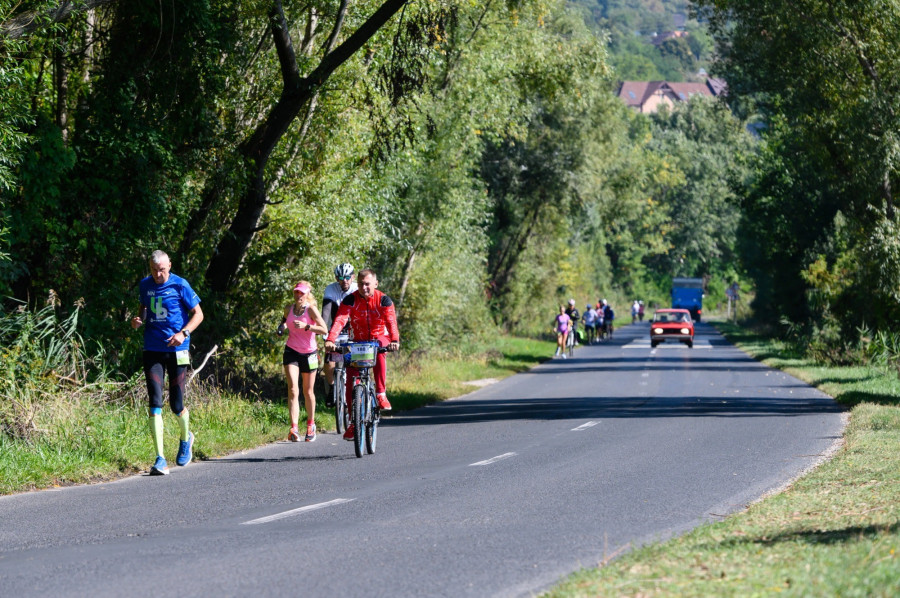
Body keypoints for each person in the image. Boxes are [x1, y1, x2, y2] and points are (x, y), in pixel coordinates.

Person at [131, 250, 203, 476]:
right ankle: (160, 458)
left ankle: (185, 438)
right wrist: (138, 320)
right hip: (152, 349)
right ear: (149, 269)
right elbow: (142, 308)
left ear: (169, 265)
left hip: (177, 350)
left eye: (162, 270)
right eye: (154, 270)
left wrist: (184, 333)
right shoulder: (145, 285)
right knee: (154, 403)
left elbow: (198, 314)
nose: (158, 274)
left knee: (177, 405)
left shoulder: (180, 285)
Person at [324, 269, 400, 441]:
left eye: (367, 284)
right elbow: (340, 320)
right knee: (351, 382)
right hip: (357, 341)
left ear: (375, 284)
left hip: (379, 337)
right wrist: (330, 339)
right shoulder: (350, 299)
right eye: (360, 284)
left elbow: (391, 322)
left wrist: (394, 340)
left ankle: (381, 394)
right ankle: (353, 422)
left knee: (380, 350)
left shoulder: (383, 300)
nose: (363, 287)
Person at [277, 280, 327, 442]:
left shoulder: (311, 310)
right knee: (292, 389)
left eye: (302, 292)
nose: (299, 295)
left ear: (307, 294)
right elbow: (284, 321)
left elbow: (324, 329)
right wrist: (281, 327)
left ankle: (311, 425)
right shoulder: (288, 308)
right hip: (291, 350)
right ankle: (294, 428)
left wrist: (307, 326)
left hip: (309, 353)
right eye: (296, 292)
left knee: (308, 391)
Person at [321, 263, 358, 407]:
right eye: (341, 277)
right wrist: (324, 332)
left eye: (348, 277)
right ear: (337, 278)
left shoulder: (357, 289)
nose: (345, 280)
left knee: (356, 362)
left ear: (353, 277)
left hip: (353, 331)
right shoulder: (331, 289)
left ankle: (357, 389)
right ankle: (332, 388)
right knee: (329, 361)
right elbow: (325, 313)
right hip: (335, 330)